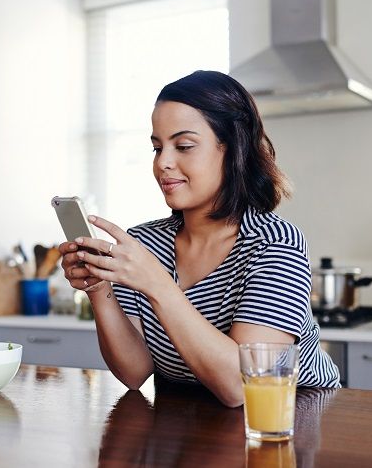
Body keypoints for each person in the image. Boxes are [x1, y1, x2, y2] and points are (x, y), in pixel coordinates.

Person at [59, 70, 340, 407]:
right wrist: (98, 287)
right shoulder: (145, 244)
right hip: (198, 424)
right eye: (157, 147)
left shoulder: (275, 242)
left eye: (184, 146)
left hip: (293, 418)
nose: (163, 163)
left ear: (232, 148)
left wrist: (157, 284)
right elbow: (134, 372)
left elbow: (245, 388)